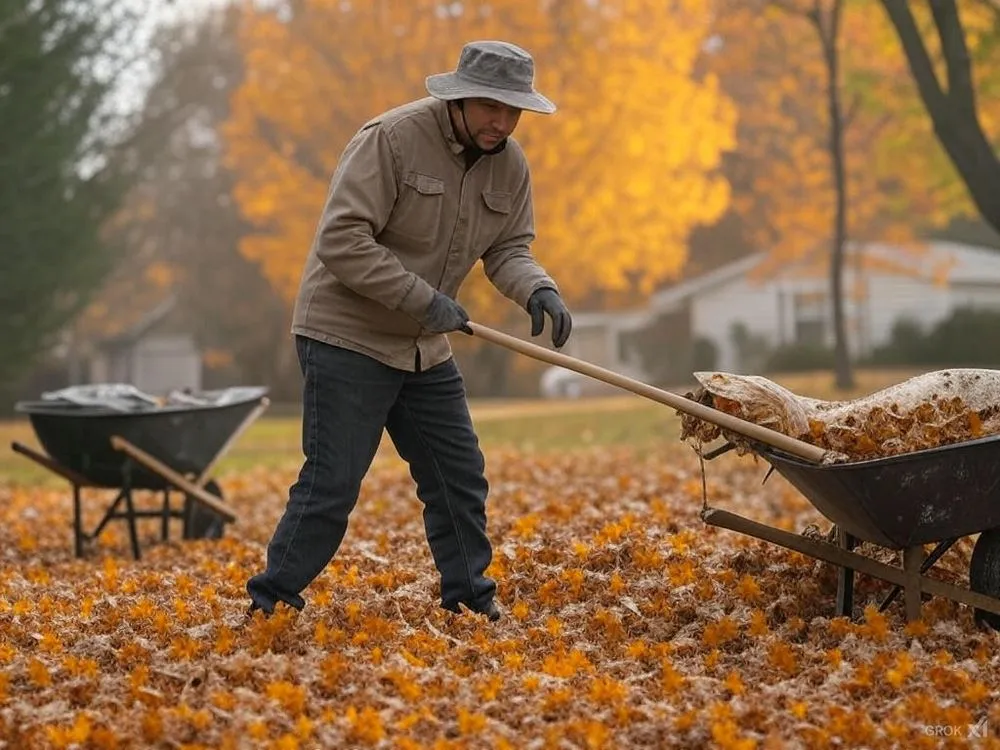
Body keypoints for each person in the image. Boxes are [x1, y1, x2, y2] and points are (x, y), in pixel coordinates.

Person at [246, 40, 573, 622]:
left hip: (423, 346)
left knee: (459, 475)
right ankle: (271, 602)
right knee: (333, 483)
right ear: (461, 98)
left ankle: (470, 602)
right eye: (492, 107)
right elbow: (342, 241)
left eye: (514, 110)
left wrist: (537, 287)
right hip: (346, 335)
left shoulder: (510, 162)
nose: (503, 121)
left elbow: (509, 248)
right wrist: (424, 300)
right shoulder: (391, 140)